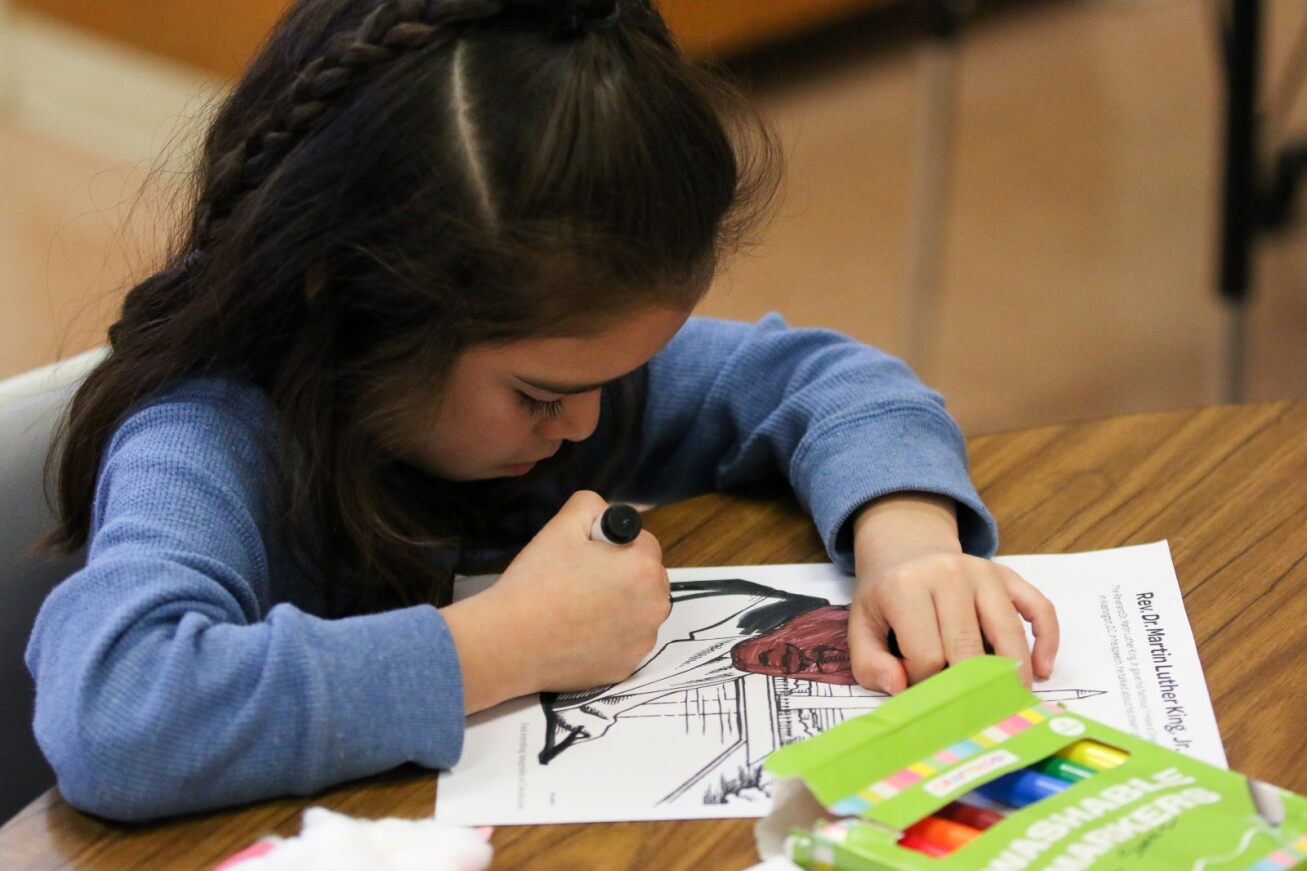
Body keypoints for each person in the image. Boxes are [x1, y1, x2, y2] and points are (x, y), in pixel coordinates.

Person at [26, 0, 1058, 822]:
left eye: (614, 376)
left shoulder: (558, 368)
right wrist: (505, 643)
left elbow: (828, 380)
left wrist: (907, 542)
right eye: (540, 395)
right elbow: (117, 715)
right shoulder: (203, 439)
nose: (583, 424)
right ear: (345, 300)